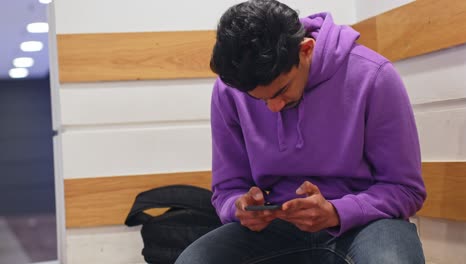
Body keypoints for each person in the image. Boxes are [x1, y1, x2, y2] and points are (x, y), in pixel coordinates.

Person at [176, 0, 426, 263]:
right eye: (259, 100)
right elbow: (227, 189)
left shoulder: (373, 75)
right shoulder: (230, 91)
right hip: (275, 228)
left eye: (281, 91)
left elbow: (405, 189)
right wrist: (240, 207)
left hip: (365, 223)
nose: (273, 108)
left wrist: (336, 211)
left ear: (305, 50)